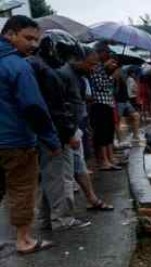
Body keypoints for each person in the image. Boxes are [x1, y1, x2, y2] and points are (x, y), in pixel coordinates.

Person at [0, 15, 60, 254]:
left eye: (36, 39)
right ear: (9, 34)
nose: (34, 44)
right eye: (28, 38)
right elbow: (34, 107)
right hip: (16, 141)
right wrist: (51, 140)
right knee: (22, 188)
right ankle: (24, 240)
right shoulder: (18, 66)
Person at [29, 29, 91, 231]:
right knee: (61, 176)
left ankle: (47, 219)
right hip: (55, 134)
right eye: (66, 55)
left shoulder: (35, 66)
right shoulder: (48, 73)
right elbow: (56, 109)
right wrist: (69, 133)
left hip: (43, 133)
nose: (67, 61)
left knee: (50, 177)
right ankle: (62, 219)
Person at [56, 33, 113, 211]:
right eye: (91, 64)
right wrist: (69, 132)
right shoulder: (63, 75)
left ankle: (92, 200)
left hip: (75, 128)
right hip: (66, 131)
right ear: (77, 60)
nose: (94, 68)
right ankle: (62, 217)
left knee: (79, 166)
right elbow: (59, 107)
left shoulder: (79, 76)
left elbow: (79, 102)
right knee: (65, 174)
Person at [87, 41, 119, 170]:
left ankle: (110, 158)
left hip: (108, 103)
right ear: (99, 53)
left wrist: (110, 73)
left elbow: (110, 89)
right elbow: (99, 86)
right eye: (106, 52)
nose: (108, 55)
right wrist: (110, 76)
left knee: (109, 133)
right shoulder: (96, 67)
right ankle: (103, 161)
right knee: (101, 134)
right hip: (99, 103)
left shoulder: (104, 68)